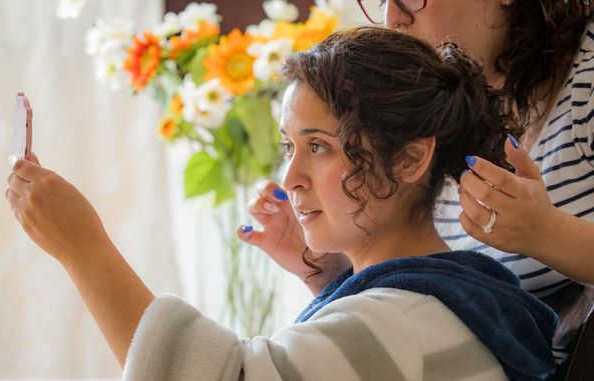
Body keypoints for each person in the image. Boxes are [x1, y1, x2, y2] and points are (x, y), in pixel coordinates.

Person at [5, 28, 556, 381]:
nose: (289, 177)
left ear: (411, 160)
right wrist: (330, 280)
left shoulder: (403, 331)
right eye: (290, 146)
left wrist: (85, 250)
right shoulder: (443, 306)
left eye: (318, 147)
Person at [241, 0, 594, 299]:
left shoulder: (586, 81)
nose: (393, 18)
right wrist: (332, 274)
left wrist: (547, 232)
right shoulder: (433, 118)